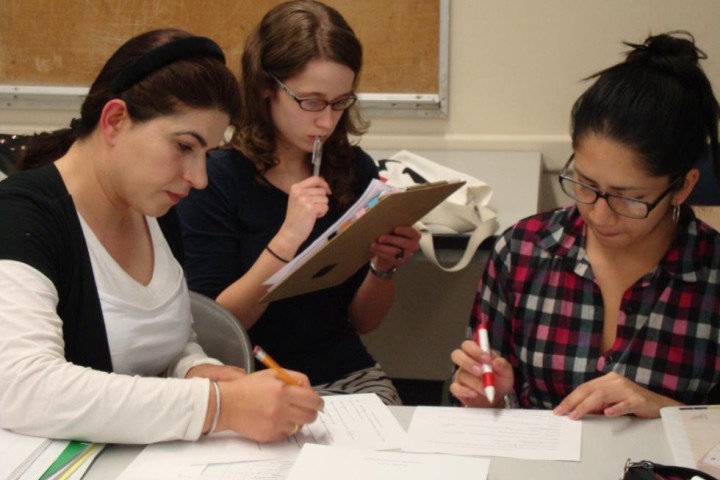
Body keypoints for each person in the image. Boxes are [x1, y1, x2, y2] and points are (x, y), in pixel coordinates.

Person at [0, 28, 323, 445]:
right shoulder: (20, 215)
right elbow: (22, 387)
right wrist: (217, 405)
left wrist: (193, 368)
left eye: (206, 154)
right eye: (185, 146)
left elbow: (164, 341)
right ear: (115, 120)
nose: (199, 178)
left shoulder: (156, 207)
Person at [450, 31, 720, 419]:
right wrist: (489, 396)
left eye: (628, 197)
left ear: (682, 187)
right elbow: (484, 390)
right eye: (585, 184)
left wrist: (665, 410)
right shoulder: (524, 250)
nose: (598, 215)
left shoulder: (710, 274)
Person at [177, 0, 420, 406]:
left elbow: (363, 322)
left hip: (344, 372)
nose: (327, 121)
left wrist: (383, 266)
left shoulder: (351, 168)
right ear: (266, 89)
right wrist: (287, 239)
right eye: (311, 101)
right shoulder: (216, 177)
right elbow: (217, 328)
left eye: (341, 102)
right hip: (252, 375)